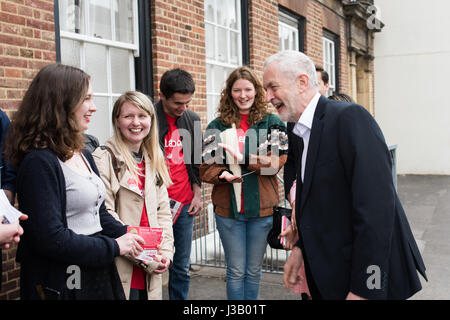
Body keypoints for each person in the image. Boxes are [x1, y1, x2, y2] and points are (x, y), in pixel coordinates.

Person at [263, 50, 427, 300]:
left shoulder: (350, 118)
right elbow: (314, 204)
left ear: (302, 82)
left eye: (273, 87)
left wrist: (366, 289)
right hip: (326, 277)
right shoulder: (296, 129)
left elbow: (377, 213)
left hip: (361, 283)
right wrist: (299, 250)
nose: (267, 97)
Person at [4, 63, 146, 300]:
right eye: (86, 99)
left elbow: (98, 214)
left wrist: (134, 239)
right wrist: (115, 246)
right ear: (61, 103)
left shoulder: (83, 153)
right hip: (64, 279)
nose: (94, 107)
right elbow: (50, 239)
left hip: (95, 269)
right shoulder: (39, 162)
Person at [200, 66, 288, 300]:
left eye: (248, 89)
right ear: (229, 93)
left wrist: (244, 159)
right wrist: (222, 175)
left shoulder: (274, 123)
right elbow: (205, 168)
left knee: (253, 270)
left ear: (256, 91)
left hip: (262, 211)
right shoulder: (216, 126)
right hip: (229, 213)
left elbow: (276, 163)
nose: (243, 95)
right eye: (237, 90)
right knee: (236, 271)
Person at [93, 91, 174, 300]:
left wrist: (166, 254)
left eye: (142, 116)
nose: (136, 122)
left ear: (151, 120)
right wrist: (148, 258)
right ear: (117, 121)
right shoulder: (104, 158)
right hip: (122, 265)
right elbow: (106, 214)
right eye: (128, 116)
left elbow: (164, 213)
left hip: (152, 266)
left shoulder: (153, 158)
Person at [155, 68, 202, 300]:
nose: (183, 108)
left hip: (184, 204)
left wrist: (197, 194)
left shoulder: (191, 119)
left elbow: (195, 163)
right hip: (155, 206)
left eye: (187, 102)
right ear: (162, 95)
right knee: (151, 262)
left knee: (181, 267)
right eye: (177, 103)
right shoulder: (149, 119)